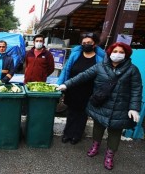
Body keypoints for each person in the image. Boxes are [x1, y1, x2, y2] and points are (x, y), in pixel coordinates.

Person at [57, 42, 142, 170]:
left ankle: (109, 155)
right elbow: (83, 76)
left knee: (115, 132)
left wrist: (134, 108)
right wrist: (67, 84)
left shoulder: (132, 70)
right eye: (115, 51)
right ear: (109, 53)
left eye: (121, 52)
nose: (117, 54)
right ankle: (95, 146)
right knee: (98, 127)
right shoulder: (100, 66)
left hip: (120, 107)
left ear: (126, 54)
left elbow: (136, 89)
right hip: (100, 103)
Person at [57, 33, 105, 145]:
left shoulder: (100, 58)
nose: (86, 45)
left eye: (89, 43)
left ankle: (77, 135)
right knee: (71, 112)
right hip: (72, 89)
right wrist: (60, 83)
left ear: (95, 44)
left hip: (89, 91)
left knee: (83, 114)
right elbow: (66, 70)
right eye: (84, 43)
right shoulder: (75, 54)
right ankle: (67, 134)